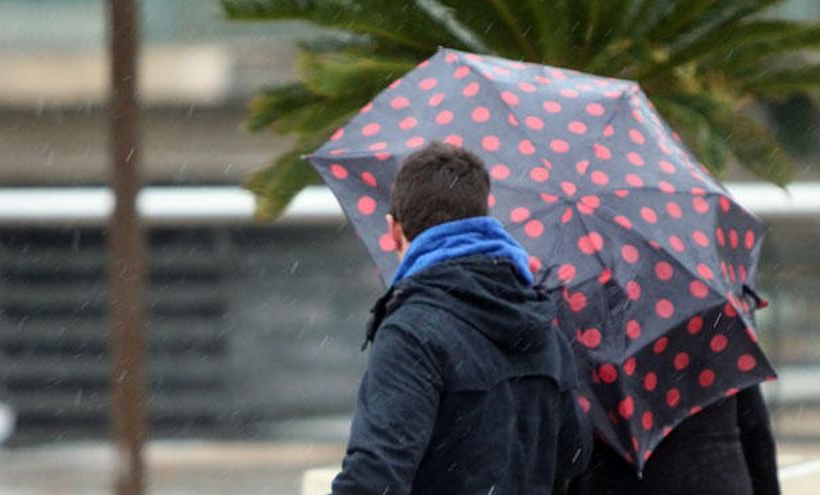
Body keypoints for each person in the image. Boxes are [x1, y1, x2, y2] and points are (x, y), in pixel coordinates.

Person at [330, 142, 592, 495]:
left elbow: (375, 477)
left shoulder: (412, 335)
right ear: (484, 220)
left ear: (393, 231)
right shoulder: (543, 328)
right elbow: (573, 458)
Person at [569, 385, 781, 495]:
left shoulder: (593, 331)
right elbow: (756, 433)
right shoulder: (714, 320)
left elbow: (572, 443)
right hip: (716, 480)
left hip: (622, 484)